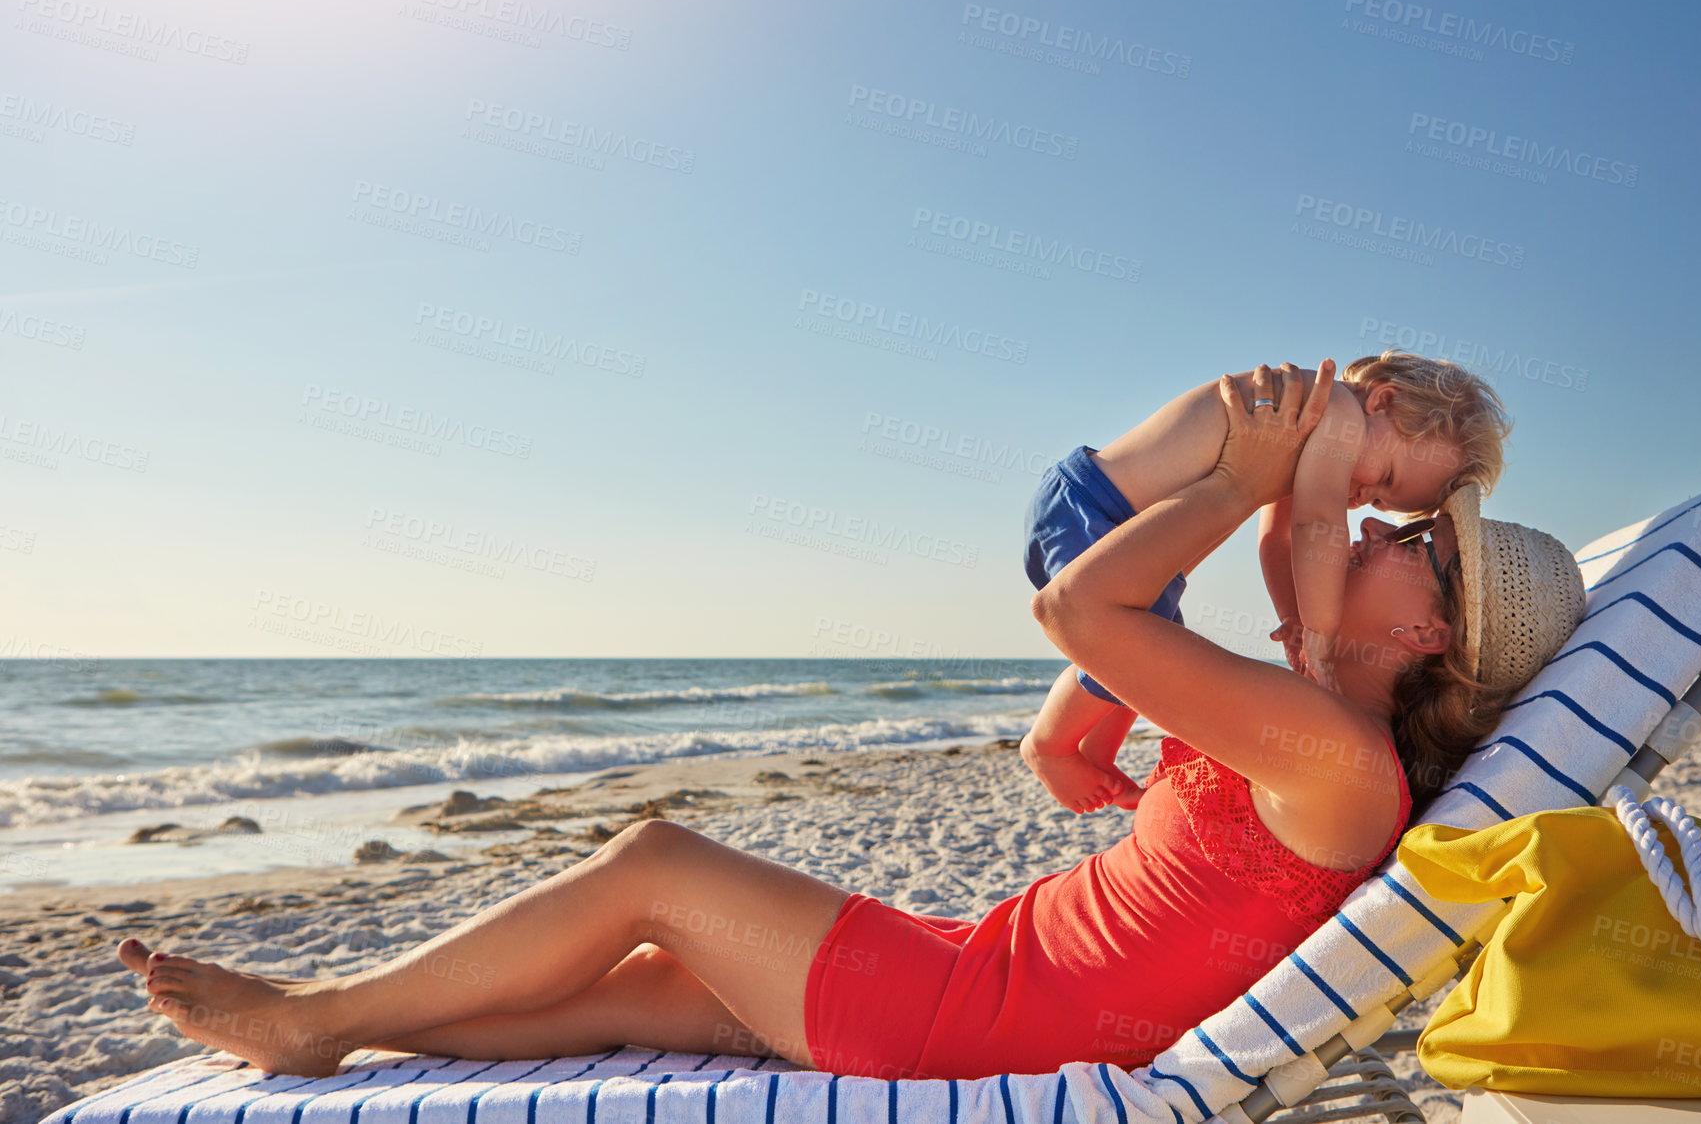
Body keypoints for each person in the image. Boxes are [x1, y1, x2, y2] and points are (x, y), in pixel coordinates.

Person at [115, 362, 1583, 1082]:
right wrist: (1238, 549)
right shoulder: (1301, 712)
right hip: (985, 969)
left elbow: (1078, 615)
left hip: (986, 1017)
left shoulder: (1329, 753)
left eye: (1416, 539)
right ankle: (344, 1034)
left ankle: (316, 1016)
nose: (1380, 525)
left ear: (1432, 625)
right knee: (644, 986)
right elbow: (1080, 716)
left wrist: (1235, 480)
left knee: (652, 861)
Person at [1021, 350, 1510, 814]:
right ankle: (1049, 746)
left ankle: (1097, 747)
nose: (1364, 500)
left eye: (1382, 502)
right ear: (1382, 401)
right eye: (1384, 476)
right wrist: (1322, 633)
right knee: (1126, 635)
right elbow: (1315, 523)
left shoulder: (1313, 432)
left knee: (1156, 632)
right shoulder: (1334, 410)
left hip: (1119, 521)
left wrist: (1294, 618)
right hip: (1092, 504)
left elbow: (1277, 538)